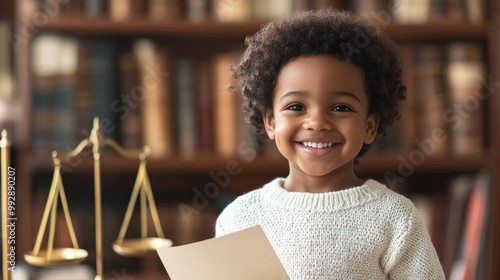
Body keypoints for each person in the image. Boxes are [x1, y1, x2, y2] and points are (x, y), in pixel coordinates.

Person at [215, 8, 445, 280]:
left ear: (369, 126)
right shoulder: (238, 218)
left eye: (340, 107)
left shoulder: (395, 219)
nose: (317, 122)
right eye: (296, 106)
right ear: (271, 122)